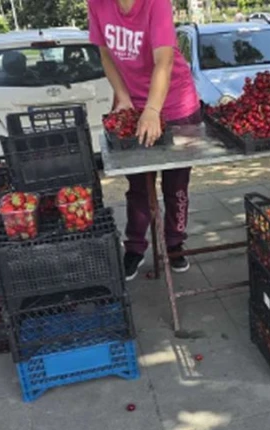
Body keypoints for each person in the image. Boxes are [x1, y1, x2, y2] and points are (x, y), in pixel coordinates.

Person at [88, 0, 201, 281]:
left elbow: (163, 60)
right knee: (138, 185)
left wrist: (152, 110)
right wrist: (123, 97)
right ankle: (135, 248)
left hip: (174, 104)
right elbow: (105, 55)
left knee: (176, 185)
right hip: (133, 104)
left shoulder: (156, 3)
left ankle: (174, 243)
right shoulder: (97, 4)